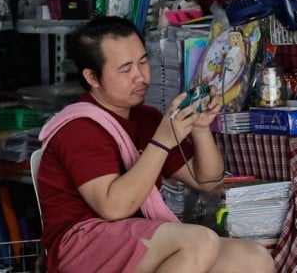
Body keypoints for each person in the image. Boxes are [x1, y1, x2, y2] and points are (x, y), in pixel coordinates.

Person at [36, 16, 276, 273]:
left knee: (254, 258)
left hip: (135, 236)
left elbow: (208, 181)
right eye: (125, 69)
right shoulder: (80, 127)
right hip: (83, 244)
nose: (140, 76)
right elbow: (113, 207)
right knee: (198, 242)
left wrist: (200, 128)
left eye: (142, 62)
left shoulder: (146, 118)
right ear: (93, 77)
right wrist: (161, 142)